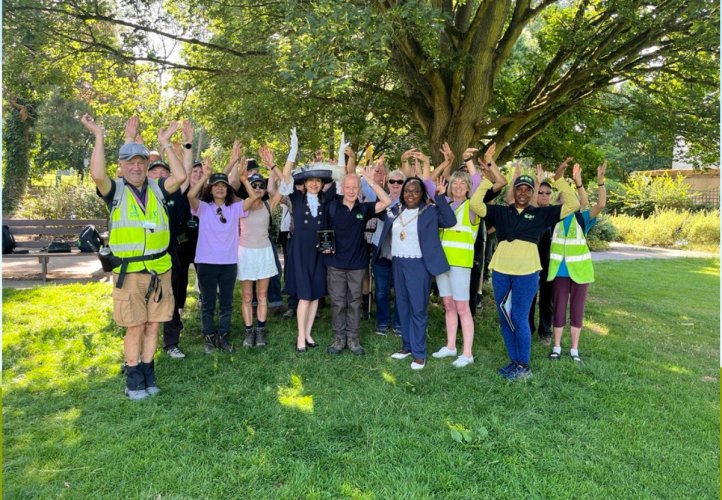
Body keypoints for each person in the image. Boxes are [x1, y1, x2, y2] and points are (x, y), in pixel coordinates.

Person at [81, 113, 187, 400]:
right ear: (123, 167)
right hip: (129, 274)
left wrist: (165, 144)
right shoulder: (114, 192)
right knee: (135, 327)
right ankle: (133, 378)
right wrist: (99, 136)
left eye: (142, 162)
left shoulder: (158, 189)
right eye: (131, 163)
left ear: (148, 165)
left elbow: (180, 176)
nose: (137, 167)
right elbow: (97, 175)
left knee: (153, 325)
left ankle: (149, 372)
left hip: (159, 271)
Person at [470, 157, 580, 380]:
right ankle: (514, 361)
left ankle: (524, 365)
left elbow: (574, 205)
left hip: (527, 273)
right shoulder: (502, 212)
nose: (522, 192)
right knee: (504, 316)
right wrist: (485, 180)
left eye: (527, 190)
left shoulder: (541, 214)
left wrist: (559, 181)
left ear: (532, 193)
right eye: (519, 188)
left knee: (519, 317)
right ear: (514, 190)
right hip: (501, 270)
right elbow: (476, 205)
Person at [374, 164, 456, 370]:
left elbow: (450, 221)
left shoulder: (430, 211)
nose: (411, 194)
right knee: (402, 305)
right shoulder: (396, 209)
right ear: (403, 193)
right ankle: (407, 347)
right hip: (398, 263)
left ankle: (419, 354)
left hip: (418, 264)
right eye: (408, 191)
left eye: (416, 191)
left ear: (422, 194)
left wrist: (439, 196)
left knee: (418, 308)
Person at [432, 143, 506, 368]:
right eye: (454, 183)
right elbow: (428, 183)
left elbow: (479, 184)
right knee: (447, 304)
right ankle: (451, 346)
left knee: (462, 307)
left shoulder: (472, 208)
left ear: (467, 188)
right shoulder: (444, 204)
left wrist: (469, 162)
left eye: (462, 183)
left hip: (461, 264)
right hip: (442, 263)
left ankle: (467, 353)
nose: (457, 186)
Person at [187, 157, 257, 355]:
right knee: (208, 303)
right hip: (206, 263)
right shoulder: (203, 207)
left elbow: (253, 200)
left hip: (228, 263)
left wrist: (244, 180)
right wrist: (205, 176)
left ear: (228, 190)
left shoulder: (234, 208)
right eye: (215, 185)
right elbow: (191, 194)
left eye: (223, 186)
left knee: (226, 303)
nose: (219, 189)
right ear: (210, 189)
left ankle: (224, 336)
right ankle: (209, 337)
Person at [276, 129, 335, 353]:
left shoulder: (325, 201)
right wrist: (293, 151)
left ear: (321, 184)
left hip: (320, 251)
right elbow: (285, 177)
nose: (313, 184)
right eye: (310, 180)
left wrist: (339, 155)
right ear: (305, 183)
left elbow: (340, 178)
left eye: (317, 181)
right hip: (300, 252)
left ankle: (308, 333)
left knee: (316, 295)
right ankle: (300, 336)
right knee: (304, 296)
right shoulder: (296, 198)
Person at [325, 167, 391, 355]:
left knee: (354, 302)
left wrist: (372, 182)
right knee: (338, 302)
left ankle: (353, 339)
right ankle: (339, 338)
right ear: (342, 188)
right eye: (348, 187)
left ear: (360, 189)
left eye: (355, 187)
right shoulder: (332, 206)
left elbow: (386, 201)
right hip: (335, 263)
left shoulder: (365, 208)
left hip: (357, 264)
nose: (352, 191)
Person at [548, 161, 607, 362]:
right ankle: (556, 347)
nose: (569, 198)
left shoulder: (582, 219)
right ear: (559, 201)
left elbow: (600, 205)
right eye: (565, 195)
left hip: (580, 272)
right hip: (559, 272)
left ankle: (574, 349)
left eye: (572, 195)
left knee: (577, 310)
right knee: (558, 309)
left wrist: (598, 182)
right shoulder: (552, 218)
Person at [149, 121, 197, 360]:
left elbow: (185, 173)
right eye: (154, 172)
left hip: (171, 252)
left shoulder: (174, 191)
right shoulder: (141, 193)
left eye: (163, 172)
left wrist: (188, 144)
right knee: (143, 299)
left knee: (170, 297)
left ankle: (170, 342)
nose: (159, 174)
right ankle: (142, 344)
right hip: (144, 254)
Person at [233, 145, 285, 348]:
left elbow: (286, 185)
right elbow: (236, 188)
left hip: (263, 252)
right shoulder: (240, 204)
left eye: (260, 186)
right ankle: (248, 332)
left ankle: (261, 331)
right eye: (254, 185)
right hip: (245, 252)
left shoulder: (268, 205)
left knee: (262, 295)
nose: (257, 189)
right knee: (247, 296)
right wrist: (241, 174)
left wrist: (273, 166)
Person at [369, 168, 406, 336]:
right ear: (387, 183)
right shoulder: (379, 200)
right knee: (382, 291)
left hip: (402, 255)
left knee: (400, 291)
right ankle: (382, 322)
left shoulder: (410, 203)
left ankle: (399, 323)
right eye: (392, 181)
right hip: (382, 253)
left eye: (400, 181)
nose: (396, 185)